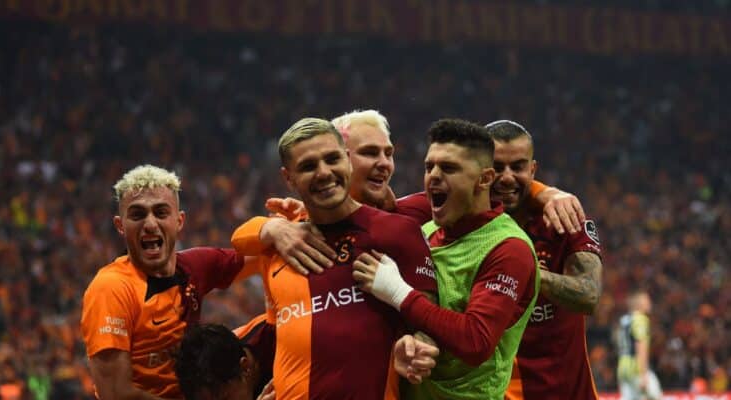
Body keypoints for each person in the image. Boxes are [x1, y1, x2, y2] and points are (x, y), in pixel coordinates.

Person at [246, 117, 438, 400]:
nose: (323, 172)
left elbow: (427, 317)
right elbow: (285, 347)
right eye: (308, 166)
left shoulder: (398, 233)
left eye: (332, 159)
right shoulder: (276, 249)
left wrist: (417, 344)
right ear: (288, 178)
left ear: (347, 161)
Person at [353, 118, 539, 400]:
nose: (433, 177)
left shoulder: (508, 248)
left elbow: (475, 341)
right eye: (429, 167)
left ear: (485, 179)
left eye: (449, 168)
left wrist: (399, 292)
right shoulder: (423, 233)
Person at [233, 109, 585, 276]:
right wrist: (270, 228)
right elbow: (233, 255)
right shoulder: (299, 228)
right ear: (342, 158)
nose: (384, 164)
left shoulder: (416, 213)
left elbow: (493, 189)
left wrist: (546, 193)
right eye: (370, 153)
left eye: (389, 153)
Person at [69, 164, 256, 400]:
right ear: (120, 225)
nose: (150, 224)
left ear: (179, 220)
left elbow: (259, 256)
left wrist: (278, 228)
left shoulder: (194, 268)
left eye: (160, 212)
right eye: (137, 215)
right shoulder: (112, 288)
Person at [482, 120, 620, 400]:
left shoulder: (565, 219)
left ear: (533, 169)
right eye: (497, 167)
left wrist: (524, 271)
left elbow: (589, 296)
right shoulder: (460, 225)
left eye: (518, 166)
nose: (507, 177)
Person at [616, 290, 662, 400]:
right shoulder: (640, 319)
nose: (649, 303)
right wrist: (643, 375)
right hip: (636, 368)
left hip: (623, 367)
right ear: (639, 304)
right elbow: (641, 346)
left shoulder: (624, 320)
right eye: (646, 300)